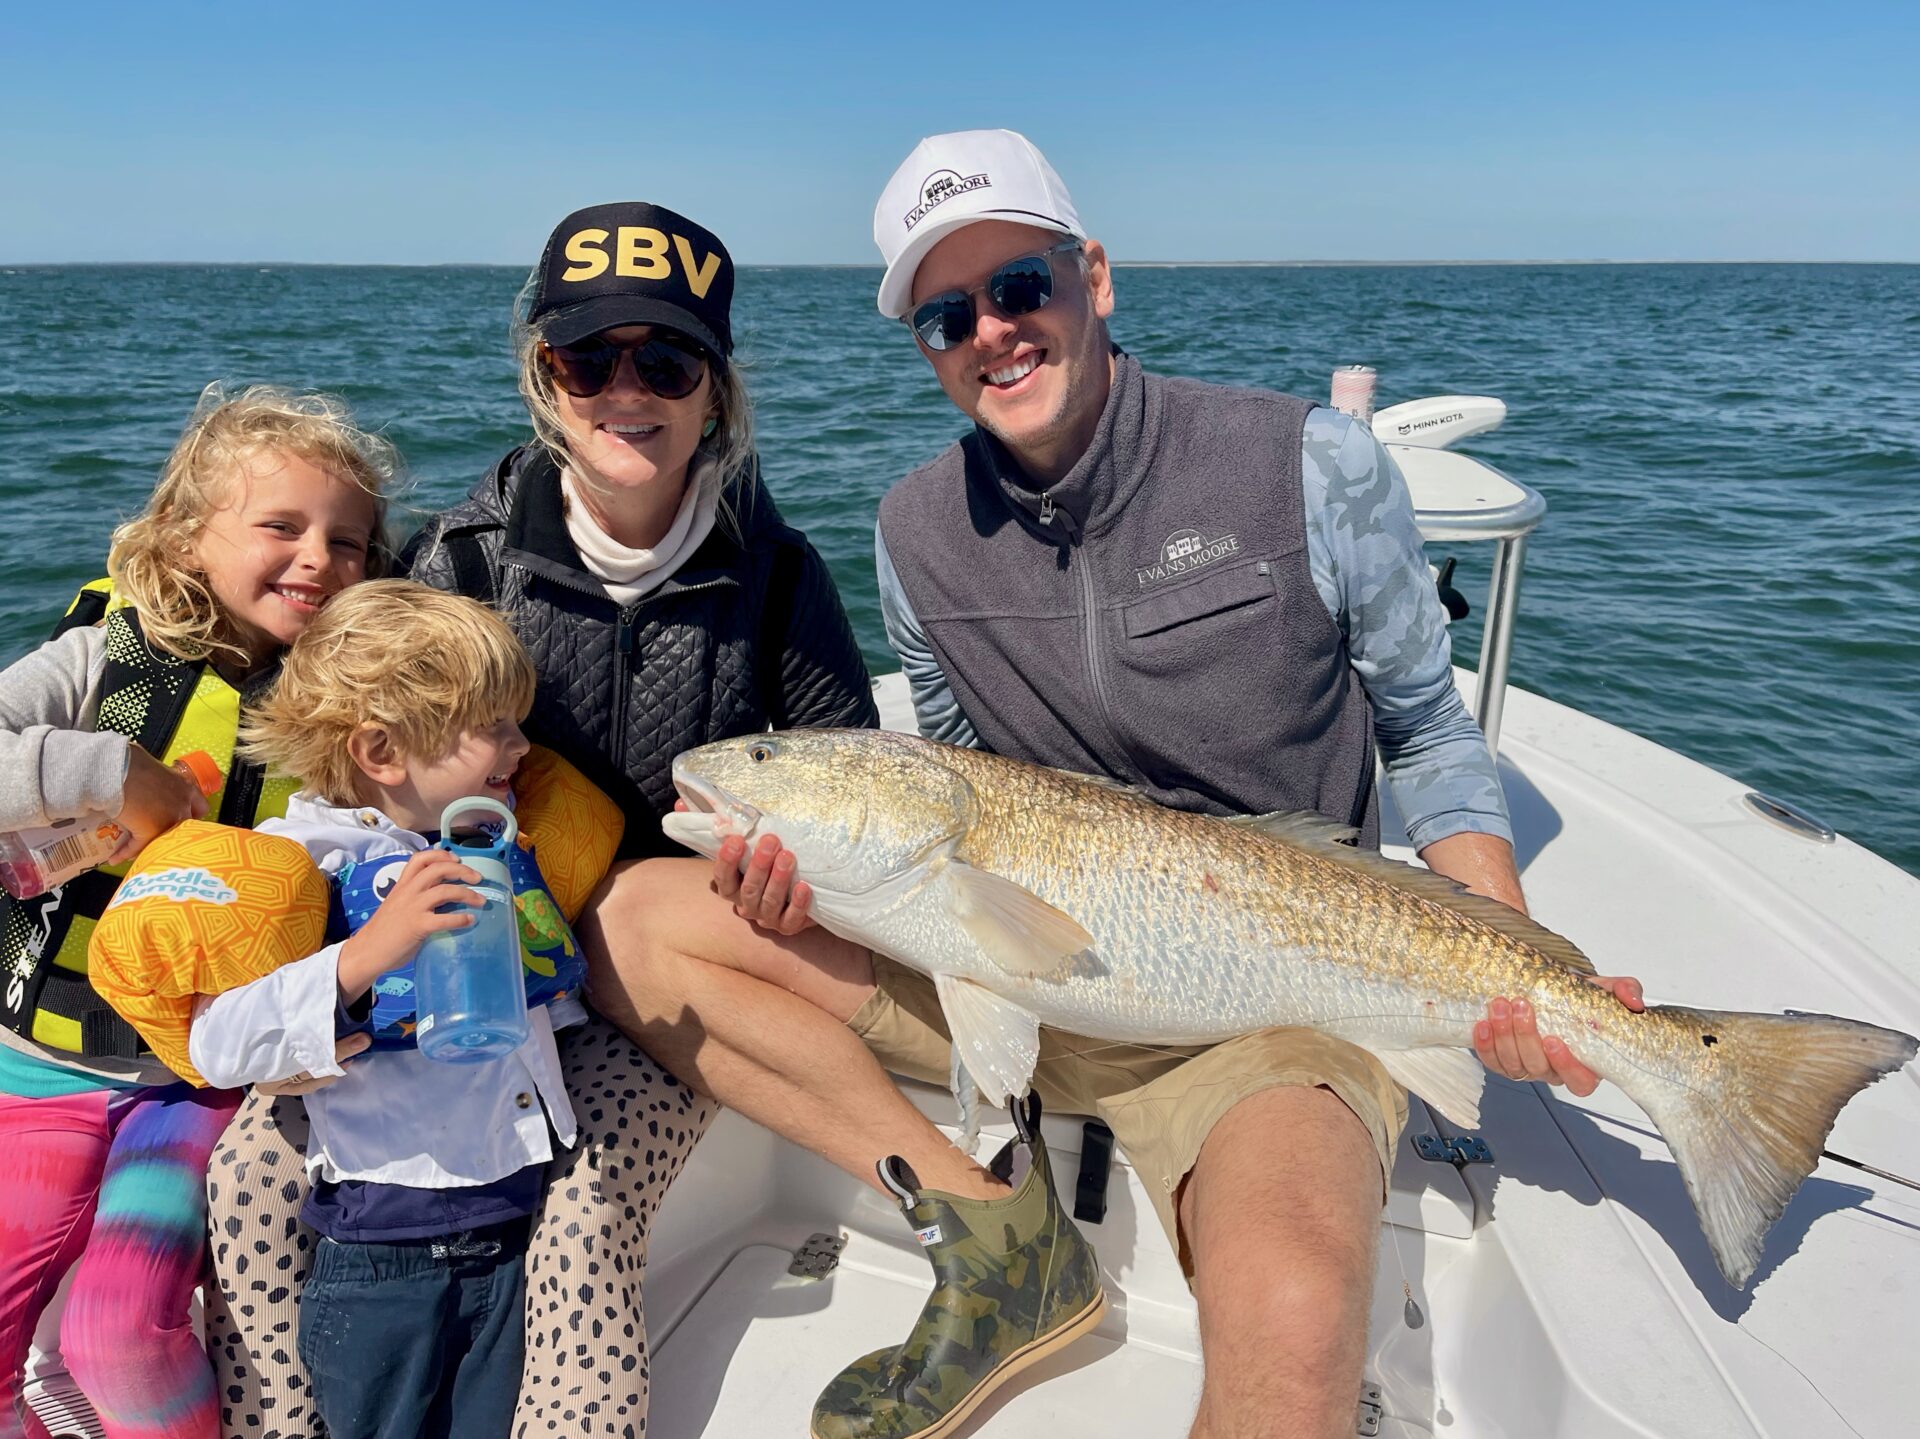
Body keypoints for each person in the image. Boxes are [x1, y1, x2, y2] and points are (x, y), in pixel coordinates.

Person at [584, 130, 1646, 1439]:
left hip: (1273, 996)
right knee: (636, 919)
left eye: (1020, 284)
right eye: (945, 312)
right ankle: (997, 1234)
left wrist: (1525, 960)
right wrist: (805, 870)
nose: (991, 330)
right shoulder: (914, 530)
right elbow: (964, 773)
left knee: (1298, 1331)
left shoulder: (1309, 461)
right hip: (1016, 950)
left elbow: (1427, 729)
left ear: (1092, 276)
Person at [201, 201, 879, 1438]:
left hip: (642, 988)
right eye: (587, 358)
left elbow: (854, 789)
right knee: (246, 1180)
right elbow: (361, 772)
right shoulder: (456, 562)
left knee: (582, 1216)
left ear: (716, 393)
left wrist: (796, 882)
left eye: (665, 360)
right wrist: (347, 982)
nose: (627, 391)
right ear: (543, 378)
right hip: (433, 965)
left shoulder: (779, 578)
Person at [0, 385, 390, 1439]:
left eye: (347, 540)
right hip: (32, 1066)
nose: (319, 557)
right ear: (183, 533)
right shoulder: (94, 664)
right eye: (282, 525)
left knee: (118, 1331)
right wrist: (105, 767)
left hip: (203, 1074)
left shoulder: (340, 708)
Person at [190, 581, 580, 1439]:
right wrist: (367, 953)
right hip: (384, 1249)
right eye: (497, 728)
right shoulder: (297, 868)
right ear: (382, 749)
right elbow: (216, 1042)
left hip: (516, 1225)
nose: (524, 745)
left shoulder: (486, 842)